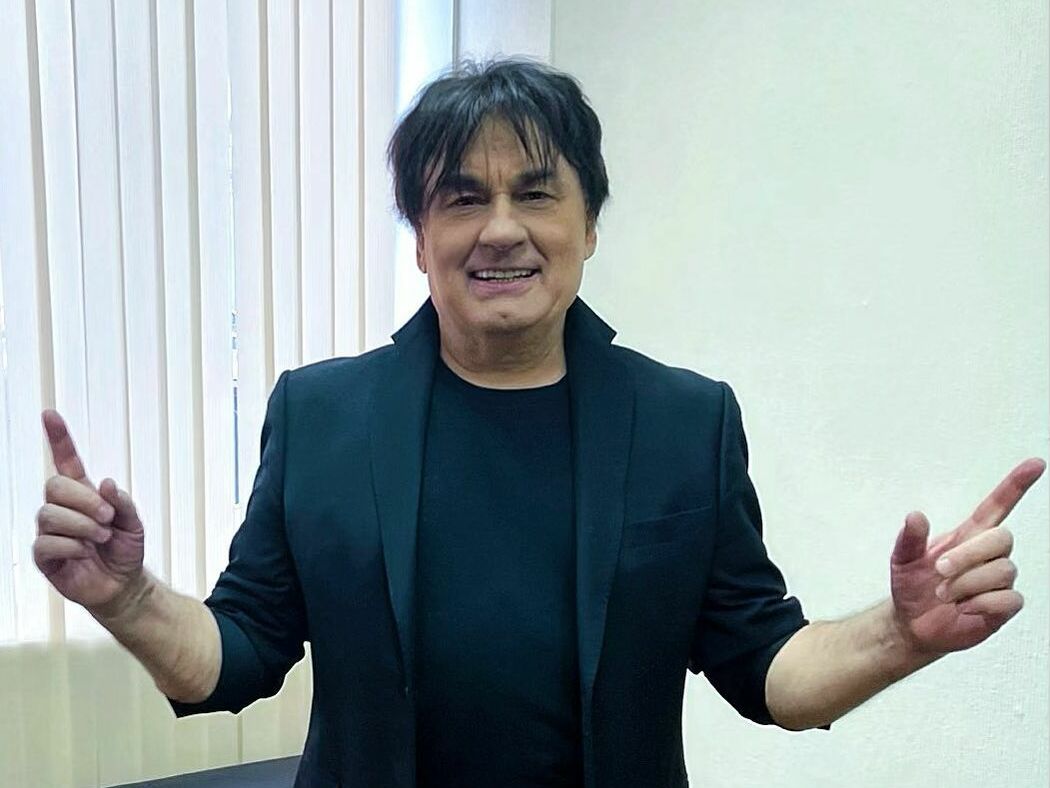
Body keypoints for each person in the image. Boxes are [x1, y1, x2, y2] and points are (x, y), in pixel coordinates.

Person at [33, 59, 1044, 788]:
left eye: (536, 193)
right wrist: (127, 598)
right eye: (462, 198)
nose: (501, 227)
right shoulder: (323, 416)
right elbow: (239, 655)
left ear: (588, 225)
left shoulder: (684, 422)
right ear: (421, 239)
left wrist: (900, 635)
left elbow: (767, 668)